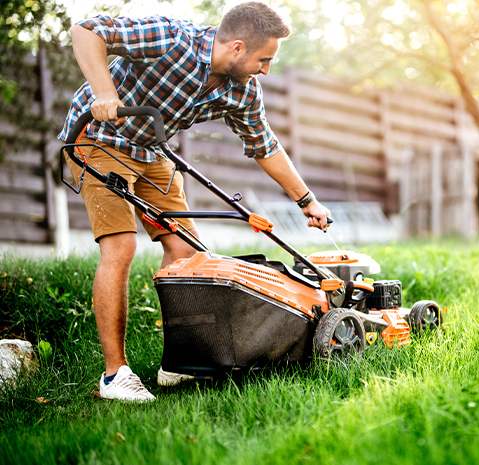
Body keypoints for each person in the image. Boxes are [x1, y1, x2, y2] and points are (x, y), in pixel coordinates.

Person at [58, 1, 331, 402]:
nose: (266, 70)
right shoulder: (173, 38)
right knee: (121, 245)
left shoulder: (242, 90)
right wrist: (104, 92)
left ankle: (179, 364)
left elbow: (265, 146)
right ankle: (115, 376)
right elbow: (87, 30)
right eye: (264, 59)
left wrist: (307, 201)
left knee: (186, 255)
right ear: (237, 48)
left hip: (150, 149)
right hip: (97, 137)